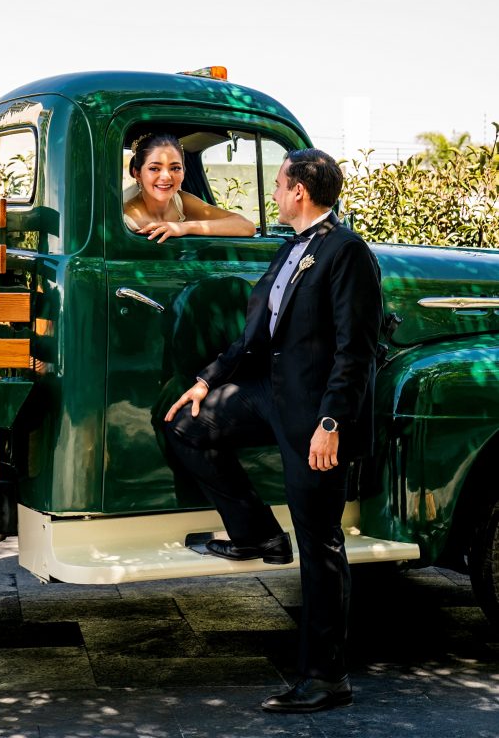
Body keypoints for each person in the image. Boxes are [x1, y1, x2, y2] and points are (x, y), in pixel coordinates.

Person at [163, 148, 383, 713]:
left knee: (321, 545)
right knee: (186, 425)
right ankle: (257, 533)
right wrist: (206, 381)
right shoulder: (291, 247)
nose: (276, 194)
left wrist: (332, 423)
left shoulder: (347, 252)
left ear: (299, 192)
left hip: (315, 414)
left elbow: (356, 351)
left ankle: (326, 677)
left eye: (280, 185)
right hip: (268, 393)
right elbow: (254, 335)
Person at [123, 132, 255, 241]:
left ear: (184, 172)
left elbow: (247, 226)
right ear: (138, 174)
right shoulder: (126, 218)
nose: (166, 176)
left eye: (175, 168)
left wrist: (184, 227)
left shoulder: (180, 200)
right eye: (154, 168)